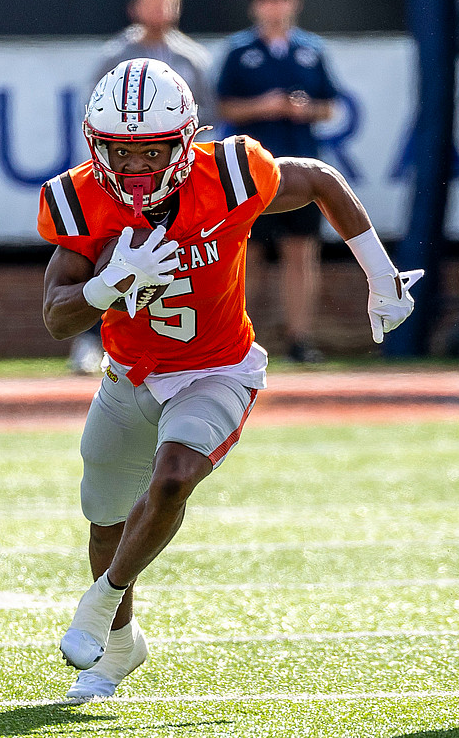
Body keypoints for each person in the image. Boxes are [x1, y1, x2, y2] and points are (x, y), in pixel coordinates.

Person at [37, 58, 422, 700]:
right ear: (94, 145)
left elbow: (322, 180)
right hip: (129, 374)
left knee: (172, 478)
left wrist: (381, 275)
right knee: (105, 523)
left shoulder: (231, 173)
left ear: (185, 141)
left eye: (150, 152)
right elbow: (55, 316)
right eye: (119, 154)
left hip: (215, 367)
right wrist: (106, 286)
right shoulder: (82, 198)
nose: (134, 171)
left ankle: (100, 606)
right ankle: (122, 648)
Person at [70, 0, 216, 376]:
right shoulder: (113, 56)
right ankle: (89, 340)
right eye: (150, 1)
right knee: (104, 252)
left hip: (176, 178)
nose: (158, 10)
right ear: (135, 7)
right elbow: (95, 118)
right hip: (122, 175)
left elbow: (209, 121)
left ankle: (186, 339)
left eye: (165, 1)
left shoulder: (192, 58)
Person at [216, 0, 338, 363]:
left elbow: (330, 107)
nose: (274, 8)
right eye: (267, 0)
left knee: (301, 253)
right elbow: (223, 106)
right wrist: (262, 106)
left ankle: (299, 337)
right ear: (255, 6)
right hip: (250, 170)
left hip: (301, 165)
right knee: (244, 254)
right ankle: (241, 335)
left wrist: (306, 110)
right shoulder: (239, 51)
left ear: (295, 3)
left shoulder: (312, 49)